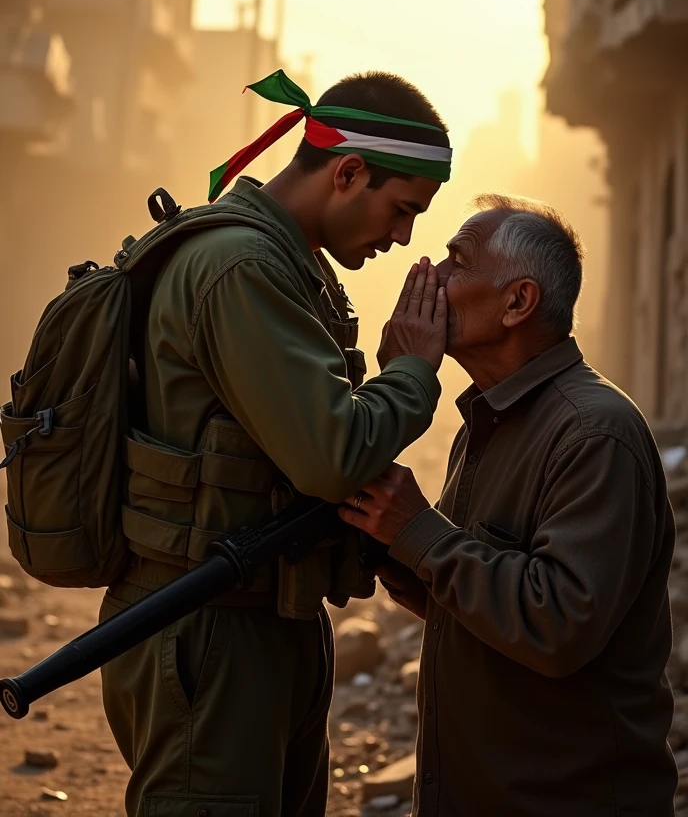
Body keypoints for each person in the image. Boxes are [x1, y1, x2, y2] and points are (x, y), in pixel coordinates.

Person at [99, 69, 452, 817]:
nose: (402, 236)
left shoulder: (288, 266)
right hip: (208, 625)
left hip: (262, 618)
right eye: (401, 210)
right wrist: (415, 371)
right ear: (348, 172)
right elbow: (333, 454)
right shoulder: (242, 267)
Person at [342, 194, 677, 817]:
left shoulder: (593, 432)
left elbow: (556, 625)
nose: (431, 277)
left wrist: (417, 529)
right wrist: (388, 539)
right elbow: (461, 598)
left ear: (517, 302)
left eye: (457, 261)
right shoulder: (488, 418)